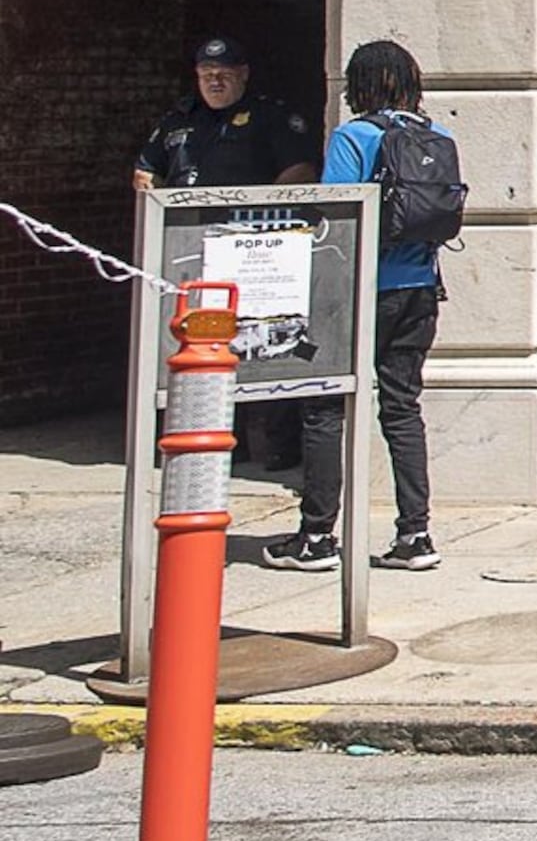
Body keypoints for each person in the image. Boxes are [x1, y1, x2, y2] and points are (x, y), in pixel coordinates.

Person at [267, 40, 451, 574]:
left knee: (324, 407)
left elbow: (333, 212)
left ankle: (318, 536)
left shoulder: (355, 136)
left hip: (360, 290)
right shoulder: (436, 135)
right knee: (402, 407)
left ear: (361, 86)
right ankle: (415, 534)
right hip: (420, 287)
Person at [134, 34, 318, 193]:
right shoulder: (177, 119)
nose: (215, 82)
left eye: (225, 75)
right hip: (182, 224)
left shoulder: (271, 116)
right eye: (207, 75)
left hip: (246, 225)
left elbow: (299, 171)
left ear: (243, 74)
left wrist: (265, 208)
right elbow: (147, 172)